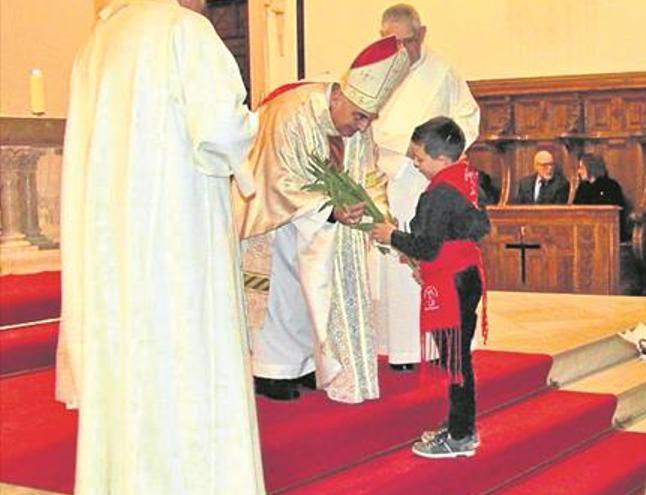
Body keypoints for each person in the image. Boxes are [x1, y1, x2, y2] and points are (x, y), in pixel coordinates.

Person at [55, 0, 265, 492]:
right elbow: (219, 132)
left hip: (113, 246)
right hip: (177, 238)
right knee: (186, 366)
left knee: (127, 369)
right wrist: (251, 126)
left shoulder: (97, 43)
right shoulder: (183, 29)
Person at [233, 36, 409, 404]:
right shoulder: (290, 112)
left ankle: (307, 363)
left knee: (313, 289)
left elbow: (368, 176)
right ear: (338, 97)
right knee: (280, 293)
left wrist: (382, 222)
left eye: (369, 120)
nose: (361, 127)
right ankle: (271, 371)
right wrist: (329, 209)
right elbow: (275, 179)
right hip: (271, 221)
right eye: (359, 116)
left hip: (316, 225)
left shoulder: (355, 126)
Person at [371, 117, 490, 459]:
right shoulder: (467, 181)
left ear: (440, 158)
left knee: (455, 362)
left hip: (450, 283)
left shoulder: (439, 193)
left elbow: (427, 246)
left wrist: (390, 235)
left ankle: (461, 435)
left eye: (419, 158)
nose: (416, 164)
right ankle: (459, 423)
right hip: (466, 276)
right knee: (457, 358)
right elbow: (480, 227)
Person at [371, 3, 481, 372]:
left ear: (422, 34)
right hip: (396, 181)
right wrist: (402, 147)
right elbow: (366, 122)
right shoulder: (376, 73)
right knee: (400, 267)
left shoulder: (443, 72)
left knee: (439, 262)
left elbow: (468, 119)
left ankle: (442, 346)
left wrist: (438, 151)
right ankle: (402, 350)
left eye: (405, 42)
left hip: (438, 182)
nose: (399, 51)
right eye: (390, 42)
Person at [573, 152, 628, 239]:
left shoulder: (610, 186)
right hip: (586, 231)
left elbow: (613, 212)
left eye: (581, 168)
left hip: (607, 232)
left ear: (591, 167)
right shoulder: (582, 187)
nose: (579, 171)